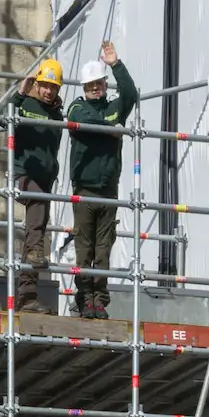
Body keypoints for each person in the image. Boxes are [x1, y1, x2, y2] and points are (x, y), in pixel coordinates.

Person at [64, 45, 136, 316]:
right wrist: (113, 130)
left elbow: (131, 94)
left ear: (105, 83)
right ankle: (84, 298)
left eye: (99, 83)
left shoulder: (114, 107)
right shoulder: (76, 107)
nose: (96, 88)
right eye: (91, 84)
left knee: (103, 249)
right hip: (84, 189)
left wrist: (116, 64)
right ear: (84, 86)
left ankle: (99, 300)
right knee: (84, 247)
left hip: (108, 189)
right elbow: (83, 122)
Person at [3, 52, 68, 309]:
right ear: (37, 85)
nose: (48, 92)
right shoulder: (27, 106)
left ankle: (27, 294)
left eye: (53, 88)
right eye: (45, 86)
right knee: (37, 222)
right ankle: (27, 287)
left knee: (36, 227)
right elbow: (5, 119)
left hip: (45, 180)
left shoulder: (57, 116)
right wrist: (21, 91)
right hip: (23, 176)